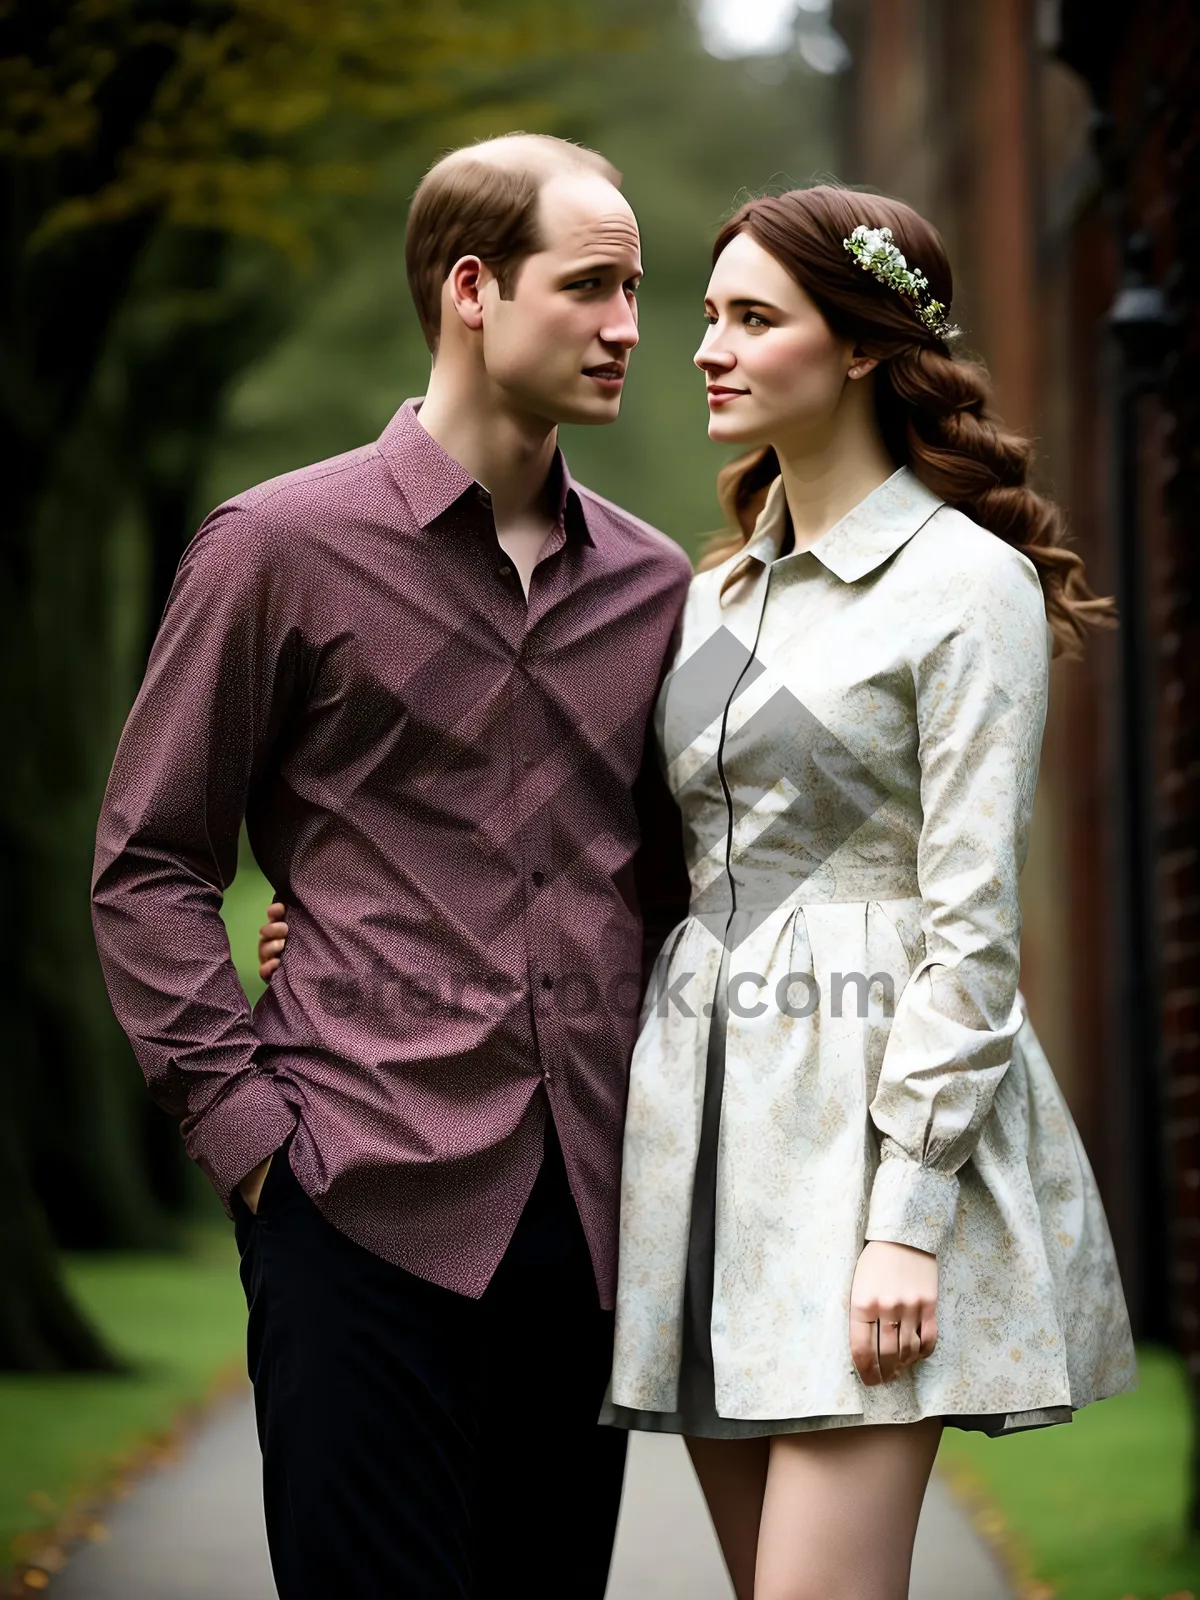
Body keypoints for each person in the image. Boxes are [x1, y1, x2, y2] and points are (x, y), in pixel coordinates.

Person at [258, 182, 1138, 1597]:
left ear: (856, 347)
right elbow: (606, 846)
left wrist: (905, 1219)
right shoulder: (712, 595)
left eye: (750, 318)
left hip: (870, 1129)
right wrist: (337, 911)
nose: (702, 346)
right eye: (707, 314)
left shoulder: (964, 586)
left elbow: (973, 924)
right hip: (708, 1149)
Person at [91, 133, 694, 1600]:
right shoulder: (279, 548)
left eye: (639, 289)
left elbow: (671, 890)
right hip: (350, 1198)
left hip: (588, 1228)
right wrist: (246, 1144)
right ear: (474, 289)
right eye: (594, 286)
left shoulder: (659, 587)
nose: (631, 327)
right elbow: (151, 862)